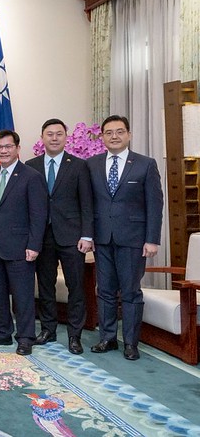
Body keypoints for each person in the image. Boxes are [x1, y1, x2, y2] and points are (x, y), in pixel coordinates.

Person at [87, 115, 163, 361]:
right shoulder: (92, 165)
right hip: (102, 238)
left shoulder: (145, 164)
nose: (114, 136)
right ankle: (108, 338)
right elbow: (88, 204)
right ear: (102, 137)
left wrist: (152, 239)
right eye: (109, 132)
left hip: (133, 239)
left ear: (129, 134)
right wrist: (88, 234)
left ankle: (131, 342)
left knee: (130, 292)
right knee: (105, 291)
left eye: (119, 131)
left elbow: (155, 205)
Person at [25, 118, 93, 355]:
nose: (54, 138)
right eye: (49, 134)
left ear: (66, 137)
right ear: (42, 137)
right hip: (42, 236)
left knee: (76, 287)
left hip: (72, 236)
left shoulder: (79, 165)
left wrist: (87, 235)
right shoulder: (31, 165)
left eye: (59, 134)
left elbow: (87, 203)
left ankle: (75, 335)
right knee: (45, 286)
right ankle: (48, 330)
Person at [0, 130, 48, 356]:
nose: (4, 151)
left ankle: (25, 337)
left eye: (8, 146)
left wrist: (34, 245)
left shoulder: (31, 176)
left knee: (22, 295)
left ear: (18, 148)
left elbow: (39, 214)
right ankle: (1, 332)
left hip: (21, 246)